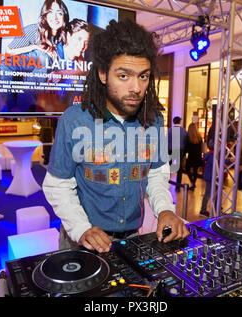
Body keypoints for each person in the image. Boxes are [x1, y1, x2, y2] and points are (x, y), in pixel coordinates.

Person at [42, 19, 189, 253]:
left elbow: (156, 174)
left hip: (131, 240)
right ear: (103, 74)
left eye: (143, 76)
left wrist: (165, 209)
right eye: (124, 76)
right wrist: (82, 229)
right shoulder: (74, 120)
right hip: (82, 242)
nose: (136, 88)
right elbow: (57, 185)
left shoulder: (153, 120)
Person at [167, 116, 188, 191]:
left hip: (171, 150)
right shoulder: (183, 131)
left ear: (173, 122)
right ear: (180, 122)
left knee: (169, 167)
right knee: (179, 169)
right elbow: (185, 142)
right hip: (180, 150)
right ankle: (178, 187)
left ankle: (167, 184)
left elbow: (167, 141)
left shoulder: (170, 130)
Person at [185, 123, 203, 190]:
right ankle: (193, 183)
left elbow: (187, 149)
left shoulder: (188, 138)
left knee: (187, 169)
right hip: (198, 156)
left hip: (191, 157)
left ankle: (192, 182)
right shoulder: (199, 137)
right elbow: (201, 147)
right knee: (195, 170)